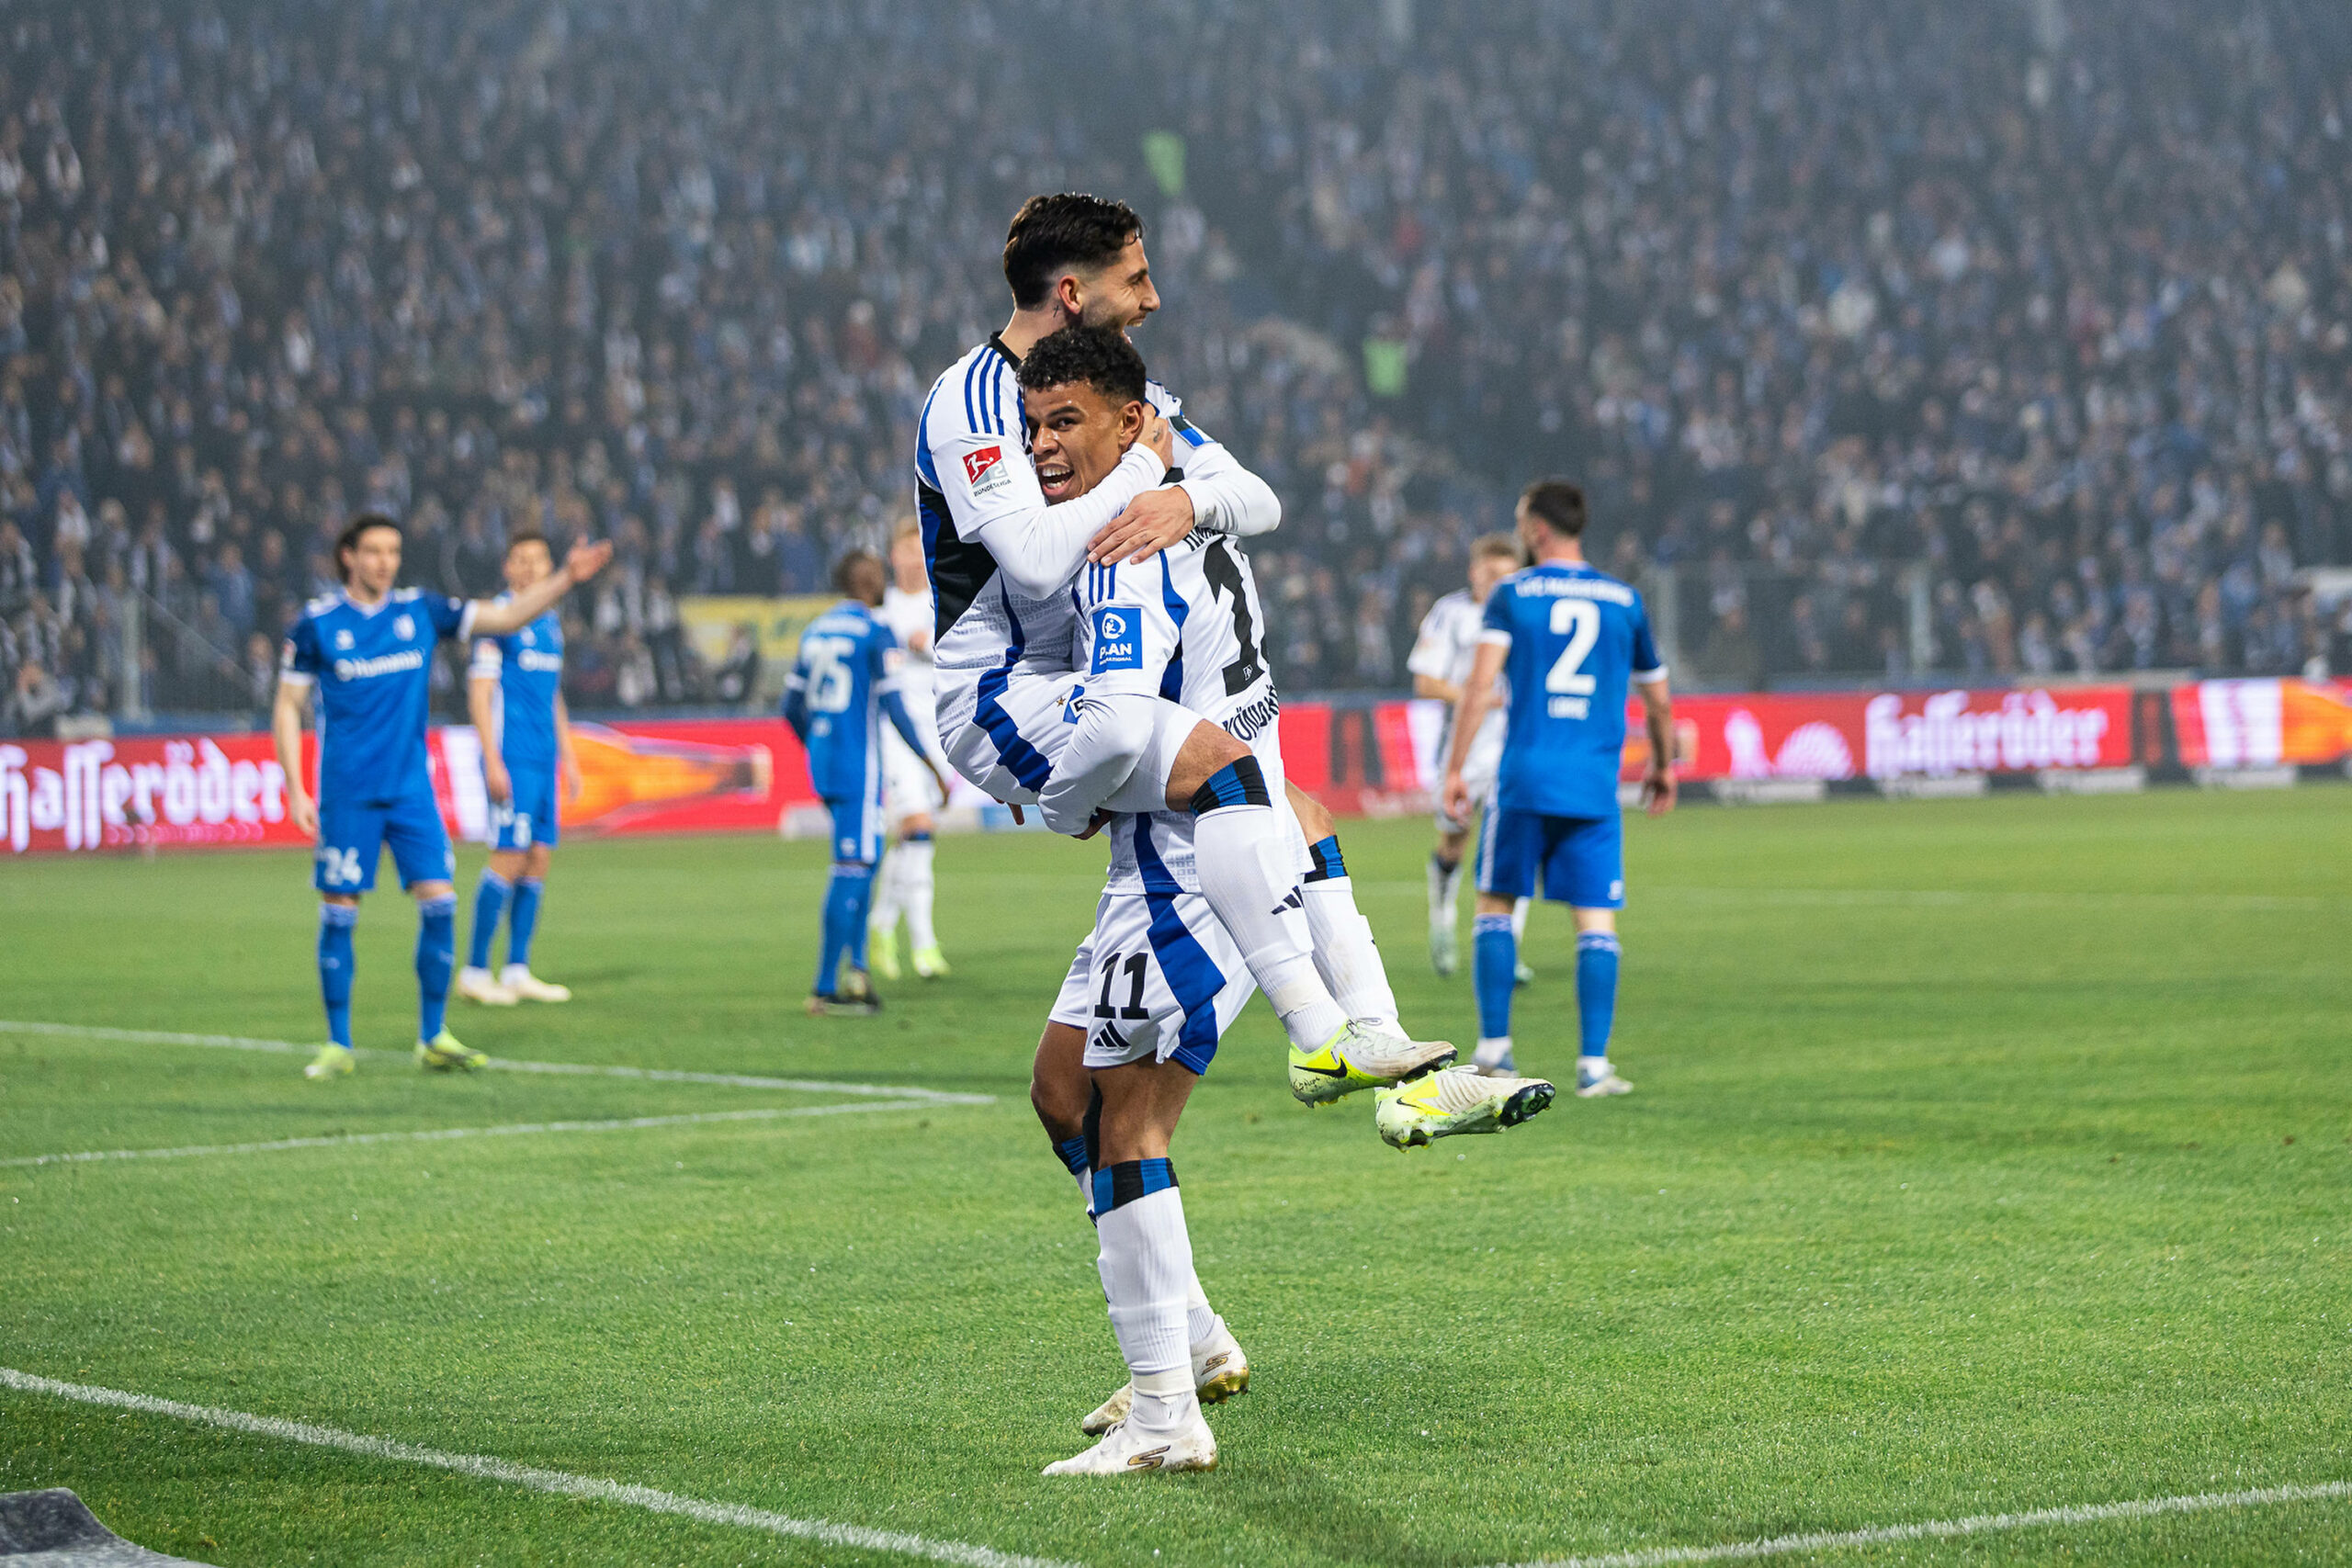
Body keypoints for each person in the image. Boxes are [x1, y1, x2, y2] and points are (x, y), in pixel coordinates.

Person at [1018, 330, 1557, 1477]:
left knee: (1127, 1126)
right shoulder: (1186, 470)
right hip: (1226, 816)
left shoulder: (1121, 547)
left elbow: (1119, 718)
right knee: (1060, 1091)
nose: (1041, 446)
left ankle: (1168, 1405)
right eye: (1033, 427)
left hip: (1177, 853)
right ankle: (1207, 1318)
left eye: (1063, 423)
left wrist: (1051, 789)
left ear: (1124, 420)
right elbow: (1252, 517)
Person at [917, 193, 1450, 1110]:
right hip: (1004, 694)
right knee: (1234, 774)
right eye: (1137, 276)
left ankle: (1388, 1059)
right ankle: (1321, 1039)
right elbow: (1037, 563)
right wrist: (1142, 472)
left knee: (1294, 812)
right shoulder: (973, 401)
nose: (1154, 297)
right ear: (1075, 291)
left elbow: (1256, 497)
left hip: (1084, 682)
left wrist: (1189, 500)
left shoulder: (1124, 391)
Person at [273, 513, 612, 1081]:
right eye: (374, 551)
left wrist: (567, 580)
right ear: (348, 557)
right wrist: (294, 785)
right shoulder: (318, 625)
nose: (385, 561)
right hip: (348, 794)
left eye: (393, 551)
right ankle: (337, 1043)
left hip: (411, 792)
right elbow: (287, 705)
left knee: (440, 902)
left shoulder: (420, 611)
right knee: (340, 912)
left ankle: (433, 1035)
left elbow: (505, 615)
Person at [1442, 480, 1675, 1098]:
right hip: (1593, 785)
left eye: (1522, 521)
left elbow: (1478, 685)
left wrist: (1455, 768)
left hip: (1523, 778)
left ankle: (1495, 1051)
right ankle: (1593, 1067)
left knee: (1495, 902)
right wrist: (1664, 765)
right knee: (1595, 920)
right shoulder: (1624, 600)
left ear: (1539, 529)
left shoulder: (1513, 594)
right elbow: (1657, 699)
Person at [782, 549, 945, 1016]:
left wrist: (815, 742)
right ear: (869, 582)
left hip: (827, 763)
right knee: (851, 868)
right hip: (859, 766)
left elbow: (790, 707)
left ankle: (858, 972)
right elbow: (895, 709)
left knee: (865, 863)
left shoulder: (815, 630)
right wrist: (931, 766)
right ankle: (823, 987)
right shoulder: (877, 631)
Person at [457, 528, 579, 1009]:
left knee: (538, 858)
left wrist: (568, 756)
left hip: (545, 759)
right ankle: (474, 970)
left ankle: (517, 969)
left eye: (539, 560)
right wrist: (491, 759)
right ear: (507, 568)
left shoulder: (550, 623)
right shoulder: (497, 620)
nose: (529, 568)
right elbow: (481, 692)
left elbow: (553, 695)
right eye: (520, 560)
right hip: (513, 758)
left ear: (549, 569)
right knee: (507, 856)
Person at [1410, 534, 1532, 979]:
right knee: (1454, 842)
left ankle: (1509, 948)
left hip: (1517, 746)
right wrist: (1478, 698)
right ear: (1474, 572)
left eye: (1507, 575)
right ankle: (1442, 920)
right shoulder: (1452, 613)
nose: (1499, 582)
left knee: (1515, 847)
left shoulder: (1527, 611)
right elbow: (1425, 682)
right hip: (1465, 746)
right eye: (1491, 573)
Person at [865, 518, 950, 982]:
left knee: (916, 841)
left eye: (920, 550)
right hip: (896, 734)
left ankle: (881, 925)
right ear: (893, 556)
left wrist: (932, 647)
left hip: (939, 732)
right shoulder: (884, 609)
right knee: (918, 831)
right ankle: (924, 946)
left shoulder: (943, 601)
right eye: (905, 551)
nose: (913, 559)